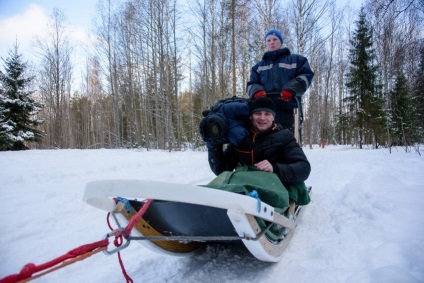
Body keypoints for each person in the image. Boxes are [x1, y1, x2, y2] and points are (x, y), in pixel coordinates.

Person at [208, 97, 311, 216]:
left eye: (267, 114)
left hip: (273, 187)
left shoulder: (284, 137)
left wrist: (275, 168)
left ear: (273, 117)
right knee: (225, 182)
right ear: (251, 116)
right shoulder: (240, 137)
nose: (262, 118)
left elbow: (304, 168)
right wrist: (213, 146)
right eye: (258, 113)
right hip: (245, 187)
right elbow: (222, 171)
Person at [246, 29, 314, 133]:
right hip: (266, 112)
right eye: (268, 40)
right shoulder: (258, 67)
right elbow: (252, 84)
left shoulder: (297, 60)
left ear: (281, 42)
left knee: (289, 143)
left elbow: (305, 76)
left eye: (275, 39)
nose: (272, 42)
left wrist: (291, 89)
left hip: (290, 109)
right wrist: (256, 91)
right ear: (265, 44)